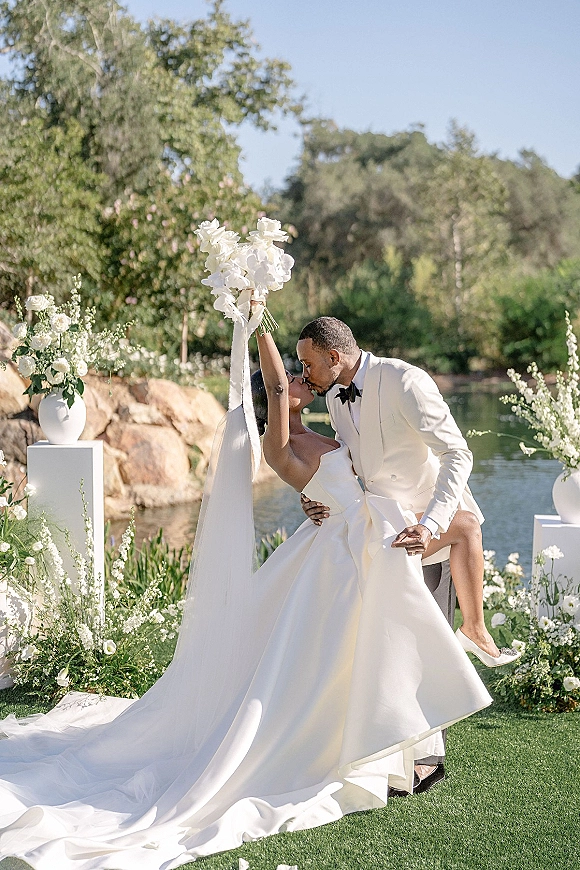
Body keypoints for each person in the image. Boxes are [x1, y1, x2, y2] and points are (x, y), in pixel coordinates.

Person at [0, 314, 490, 869]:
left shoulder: (347, 413)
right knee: (363, 655)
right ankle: (396, 741)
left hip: (370, 533)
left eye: (310, 365)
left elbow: (368, 466)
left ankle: (423, 723)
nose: (302, 376)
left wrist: (349, 498)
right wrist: (257, 323)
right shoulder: (285, 439)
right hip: (350, 549)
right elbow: (282, 397)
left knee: (381, 649)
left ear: (334, 358)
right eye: (298, 372)